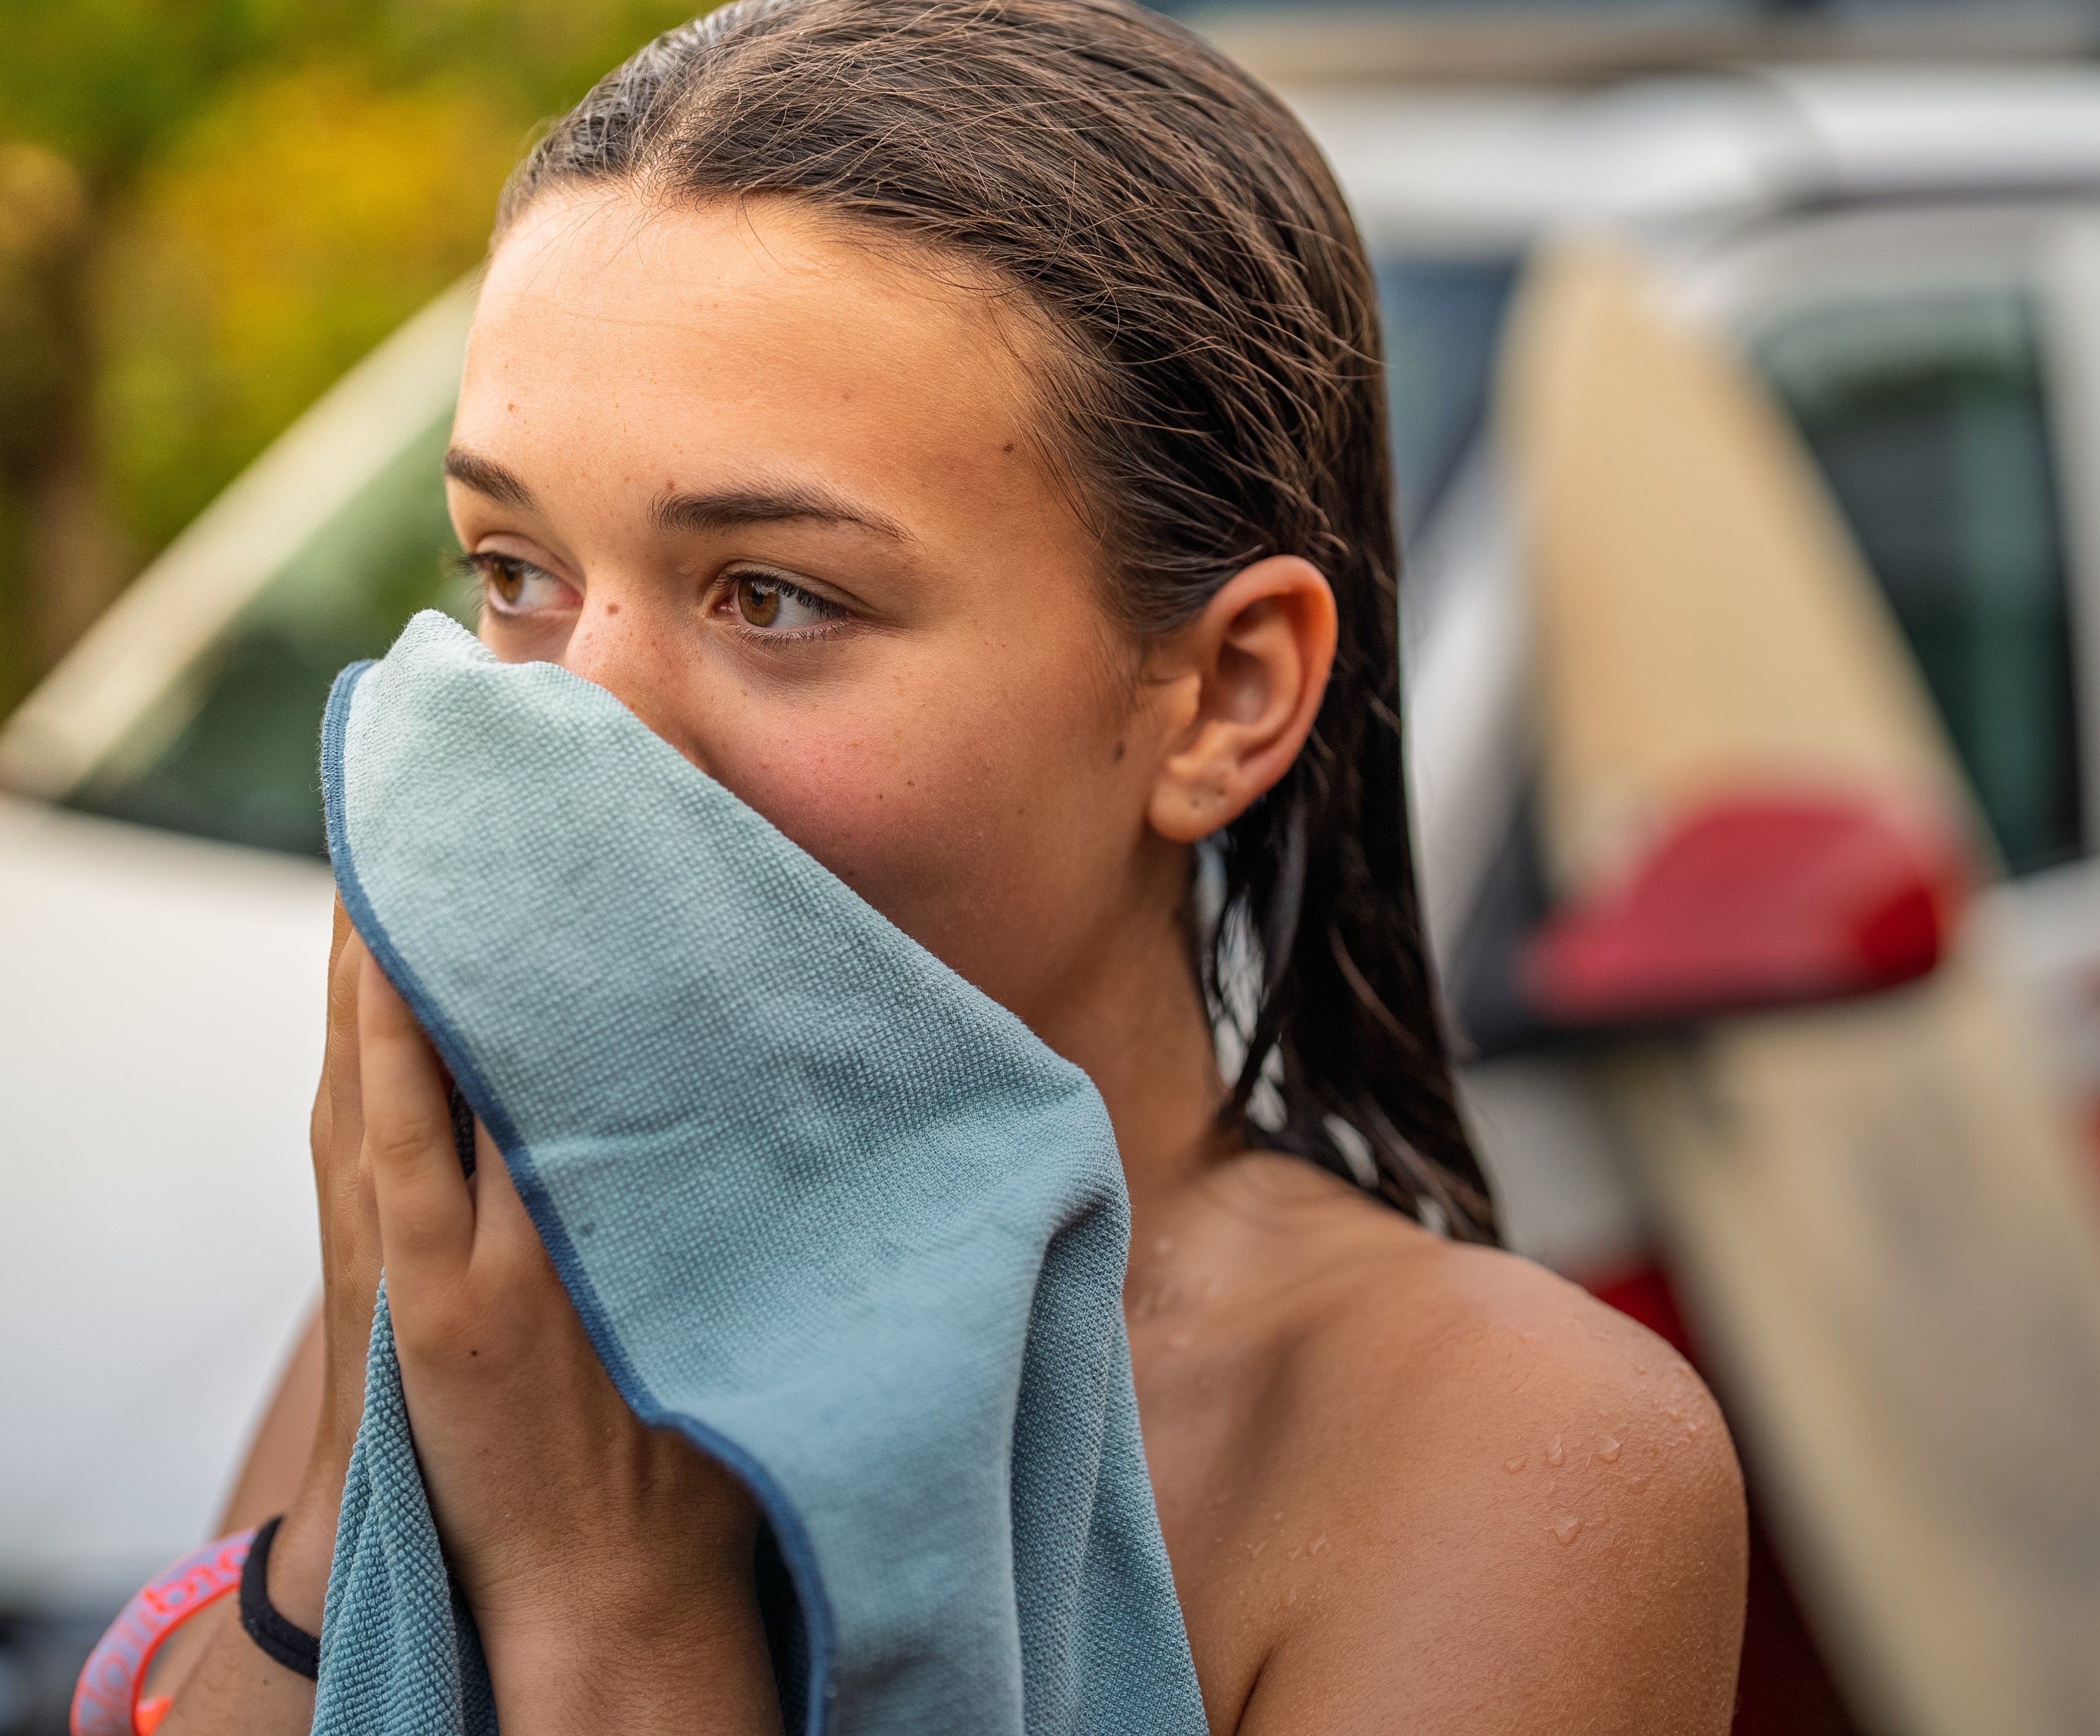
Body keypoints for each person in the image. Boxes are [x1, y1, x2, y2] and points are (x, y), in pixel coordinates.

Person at [153, 1, 1746, 1729]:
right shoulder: (480, 1291)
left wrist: (608, 1604)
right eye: (517, 572)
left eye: (773, 597)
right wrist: (350, 1496)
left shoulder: (1497, 1454)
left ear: (1220, 695)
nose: (575, 738)